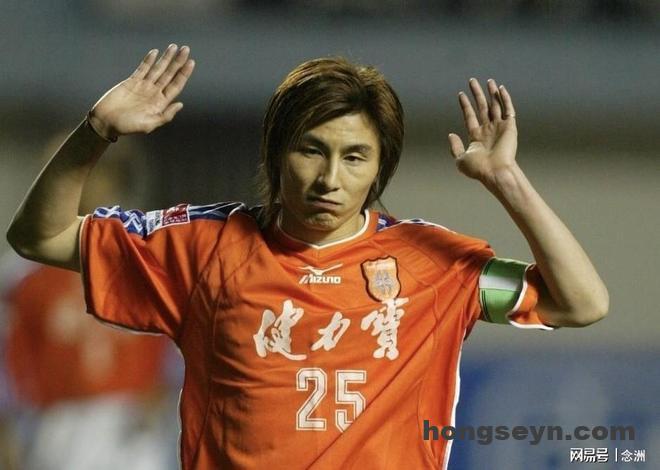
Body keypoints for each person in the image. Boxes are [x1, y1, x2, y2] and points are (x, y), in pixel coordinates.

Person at [6, 44, 608, 469]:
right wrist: (97, 131)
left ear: (379, 169)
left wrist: (507, 181)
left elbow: (580, 304)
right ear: (276, 154)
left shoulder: (432, 265)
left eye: (354, 157)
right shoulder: (200, 247)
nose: (329, 179)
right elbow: (40, 238)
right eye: (311, 150)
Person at [0, 133, 177, 470]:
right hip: (56, 427)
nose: (87, 185)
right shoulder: (22, 275)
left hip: (136, 425)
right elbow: (7, 363)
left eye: (96, 173)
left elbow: (177, 339)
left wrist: (165, 392)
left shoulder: (149, 258)